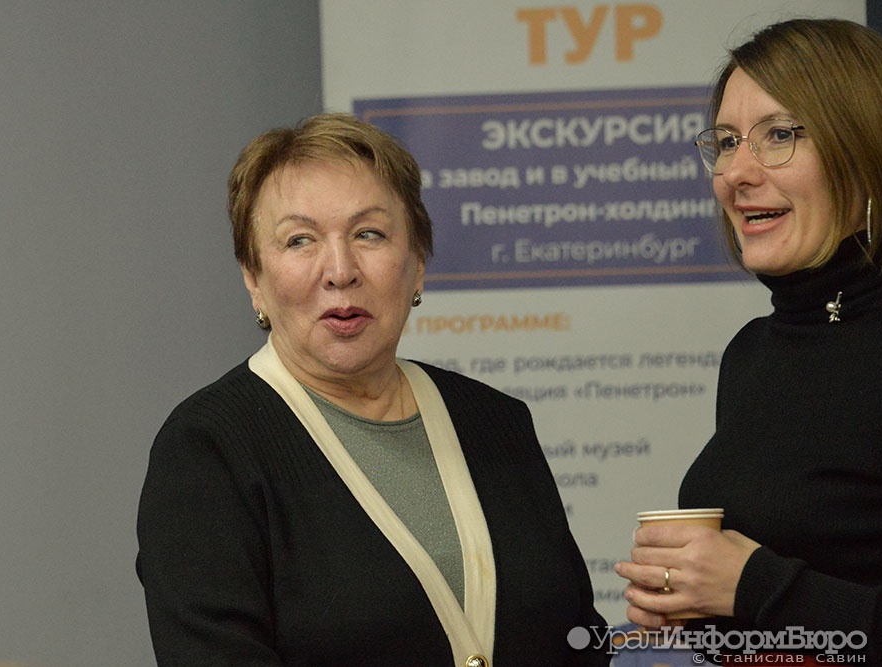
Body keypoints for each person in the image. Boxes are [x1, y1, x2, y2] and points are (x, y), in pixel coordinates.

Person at [136, 112, 608, 666]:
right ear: (253, 277)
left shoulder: (495, 421)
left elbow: (579, 637)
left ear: (418, 263)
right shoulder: (208, 450)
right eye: (300, 240)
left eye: (369, 234)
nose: (340, 271)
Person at [614, 18, 882, 664]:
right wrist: (694, 611)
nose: (736, 171)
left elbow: (767, 590)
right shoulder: (753, 351)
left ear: (865, 147)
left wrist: (754, 585)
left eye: (780, 135)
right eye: (728, 141)